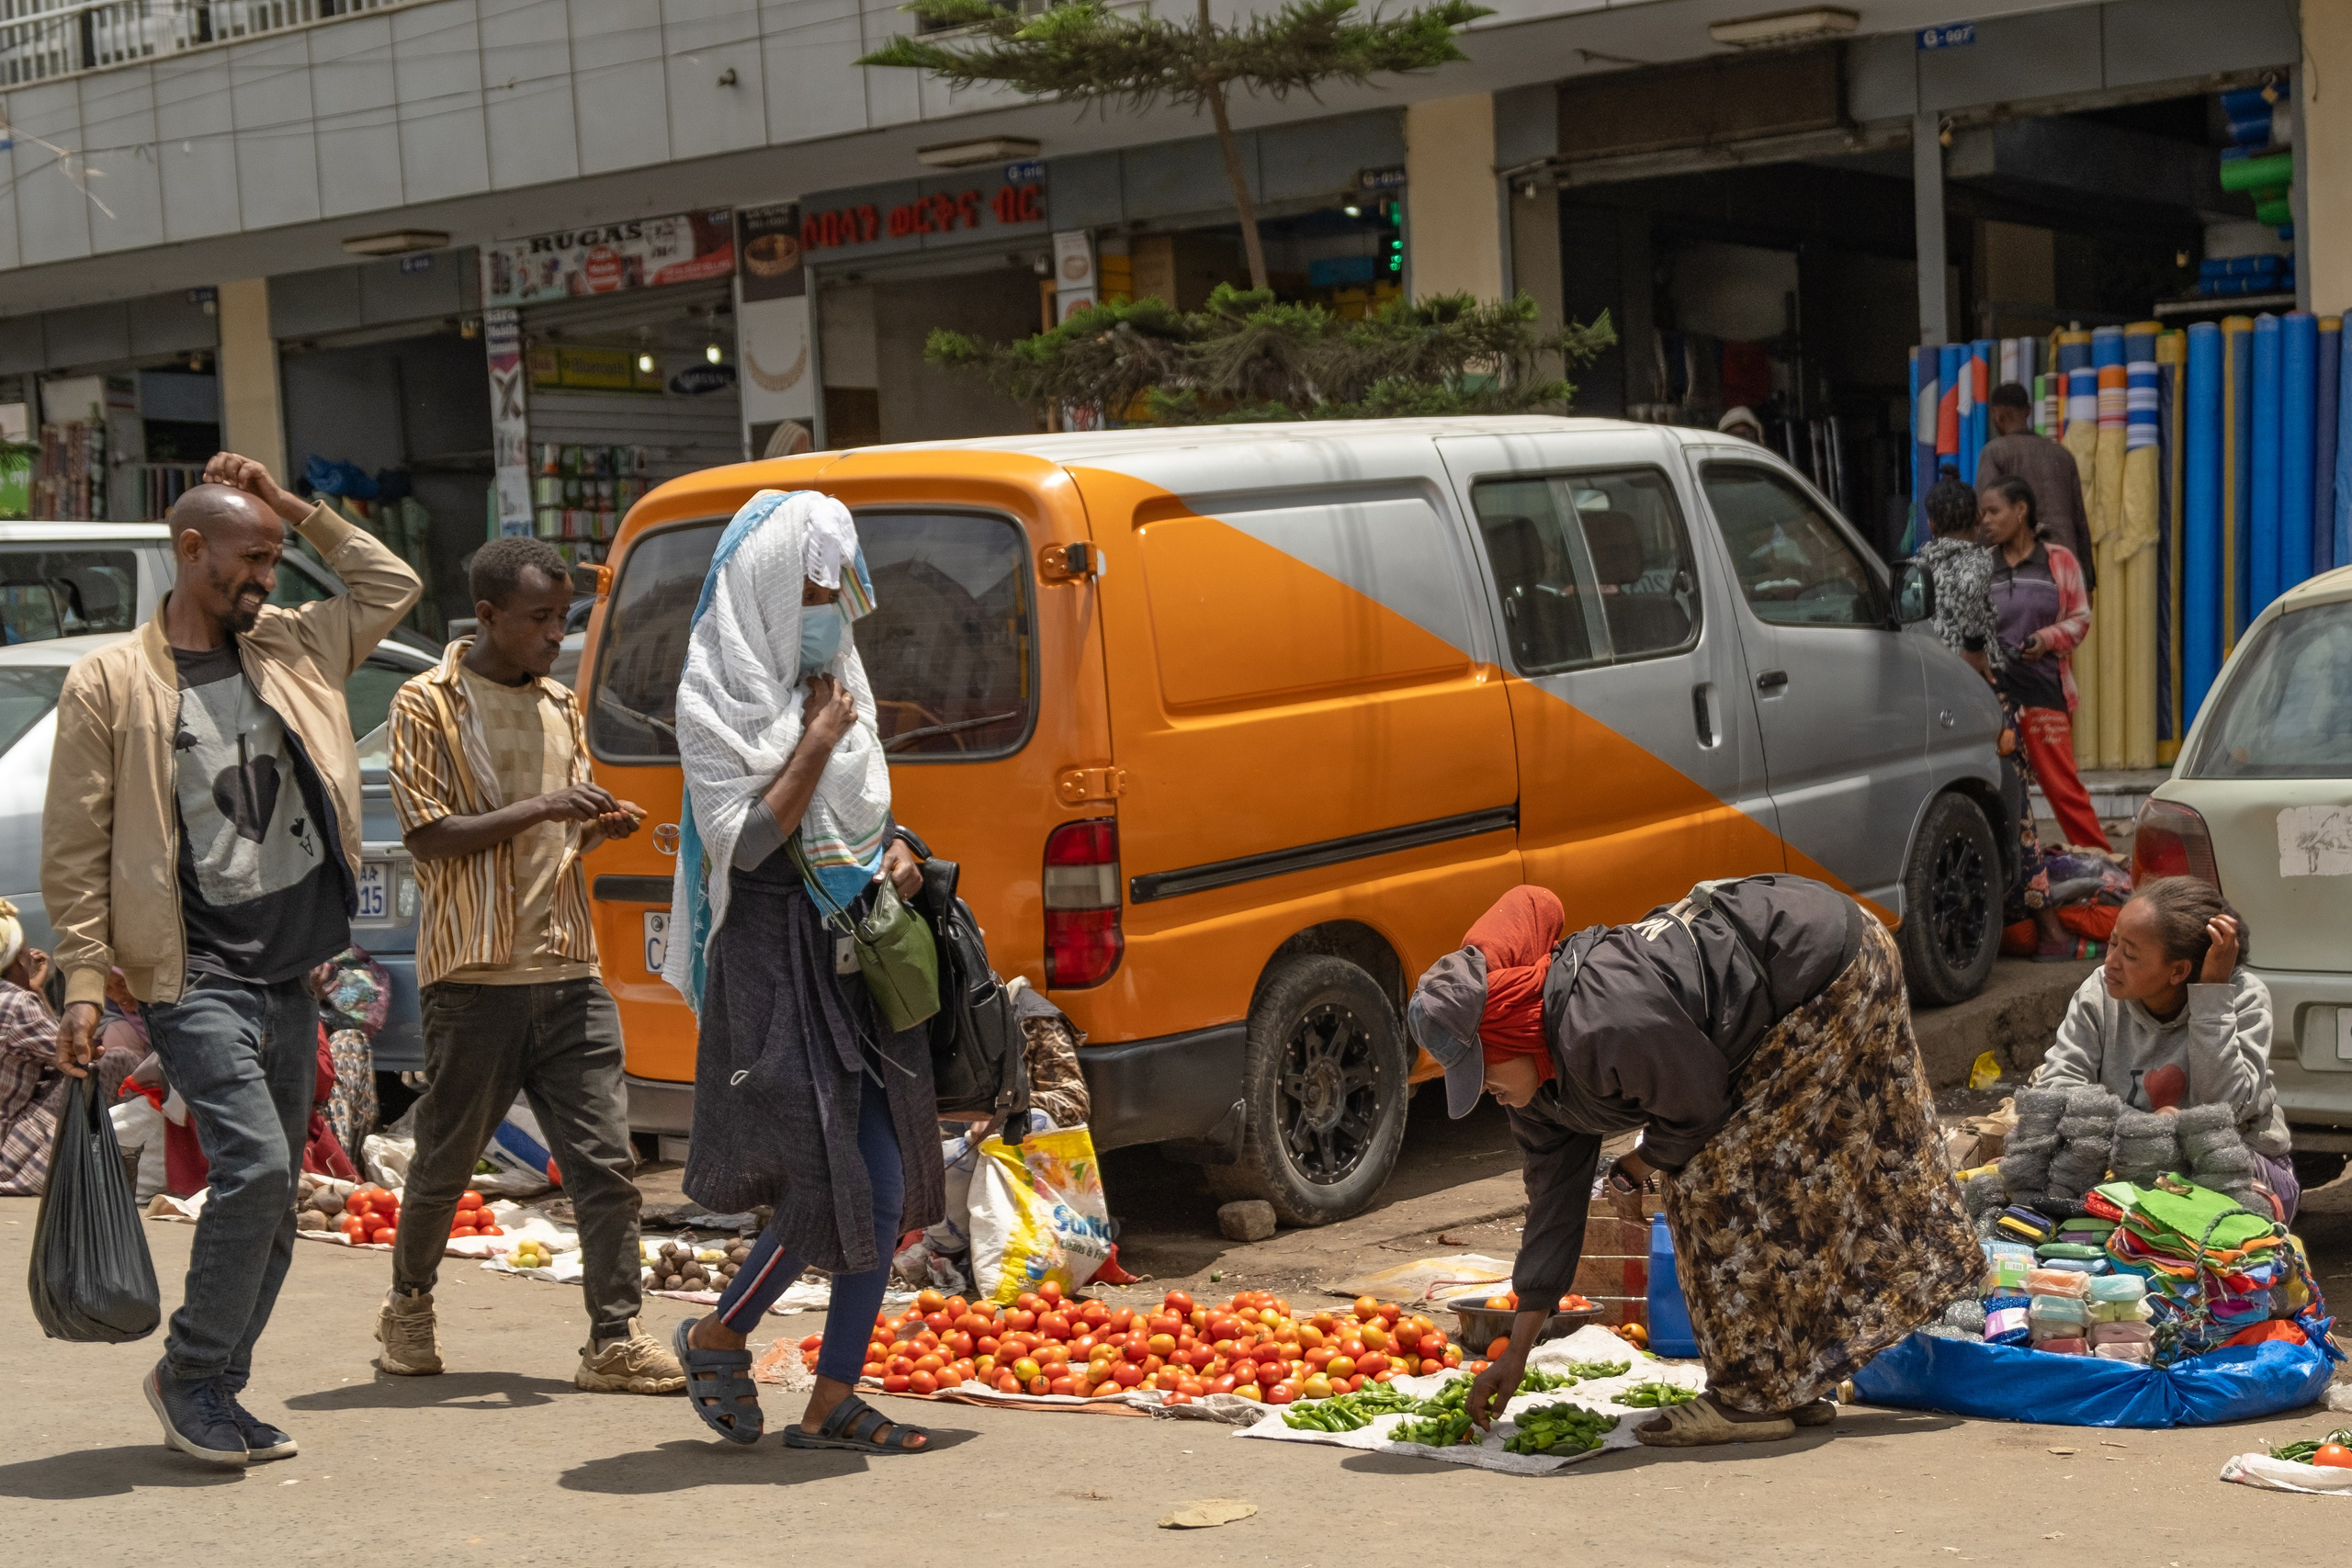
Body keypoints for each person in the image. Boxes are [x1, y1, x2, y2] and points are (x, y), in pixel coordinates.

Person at [42, 452, 420, 1466]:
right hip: (194, 973)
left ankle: (218, 1389)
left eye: (275, 561)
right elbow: (76, 850)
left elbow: (392, 585)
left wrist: (287, 507)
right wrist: (83, 981)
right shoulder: (112, 684)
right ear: (189, 548)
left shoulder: (294, 645)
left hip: (290, 970)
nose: (265, 579)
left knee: (277, 1196)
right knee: (253, 1168)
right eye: (249, 561)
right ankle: (191, 1371)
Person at [1407, 875, 1977, 1447]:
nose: (1484, 1093)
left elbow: (1699, 1111)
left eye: (1484, 1073)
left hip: (1826, 967)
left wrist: (1639, 1163)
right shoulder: (1538, 1094)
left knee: (1710, 1180)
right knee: (1755, 1176)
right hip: (1797, 970)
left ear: (1514, 1033)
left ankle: (1749, 1400)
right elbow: (1554, 1208)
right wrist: (1517, 1354)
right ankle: (1782, 1384)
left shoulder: (1604, 1019)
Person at [662, 489, 944, 1456]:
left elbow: (859, 819)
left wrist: (897, 847)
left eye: (838, 586)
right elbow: (741, 845)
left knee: (886, 1183)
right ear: (773, 589)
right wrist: (817, 741)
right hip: (775, 970)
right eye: (815, 588)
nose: (831, 607)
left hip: (855, 963)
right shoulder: (717, 697)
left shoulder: (839, 680)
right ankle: (716, 1333)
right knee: (829, 1184)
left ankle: (831, 1399)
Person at [378, 536, 679, 1393]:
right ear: (488, 616)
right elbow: (429, 835)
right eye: (542, 618)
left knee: (607, 1165)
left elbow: (554, 831)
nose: (557, 635)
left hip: (569, 968)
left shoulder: (558, 705)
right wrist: (545, 803)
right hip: (476, 977)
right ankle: (408, 1303)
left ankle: (614, 1338)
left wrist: (590, 820)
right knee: (444, 1158)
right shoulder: (425, 703)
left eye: (564, 618)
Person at [2033, 877, 2295, 1219]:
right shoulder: (2099, 991)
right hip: (2130, 1162)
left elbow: (2223, 1109)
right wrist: (2148, 1129)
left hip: (2237, 1170)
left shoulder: (2242, 996)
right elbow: (2056, 1089)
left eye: (2129, 954)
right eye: (2112, 943)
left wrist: (2212, 995)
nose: (2111, 962)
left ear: (2178, 972)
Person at [1980, 473, 2109, 854]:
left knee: (2062, 788)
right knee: (2003, 790)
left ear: (2021, 511)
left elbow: (2080, 619)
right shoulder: (1983, 566)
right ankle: (2020, 872)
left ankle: (2107, 867)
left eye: (1993, 511)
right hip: (1995, 696)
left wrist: (2046, 639)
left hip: (2044, 690)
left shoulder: (2059, 561)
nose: (1985, 520)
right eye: (1981, 513)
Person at [0, 905, 141, 1194]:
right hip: (7, 1150)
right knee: (118, 1061)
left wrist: (37, 992)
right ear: (13, 958)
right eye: (24, 950)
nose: (30, 956)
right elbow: (74, 1053)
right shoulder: (15, 1005)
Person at [1978, 380, 2096, 593]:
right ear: (2029, 411)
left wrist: (1978, 573)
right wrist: (2087, 581)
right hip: (2066, 569)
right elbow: (2081, 523)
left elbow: (1986, 521)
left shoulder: (1994, 451)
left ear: (1997, 415)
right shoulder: (2063, 454)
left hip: (2021, 569)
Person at [1915, 466, 2002, 679]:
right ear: (1978, 519)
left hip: (1931, 667)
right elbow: (1969, 586)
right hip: (1975, 671)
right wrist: (1973, 647)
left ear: (1932, 525)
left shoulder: (1916, 566)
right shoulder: (1977, 560)